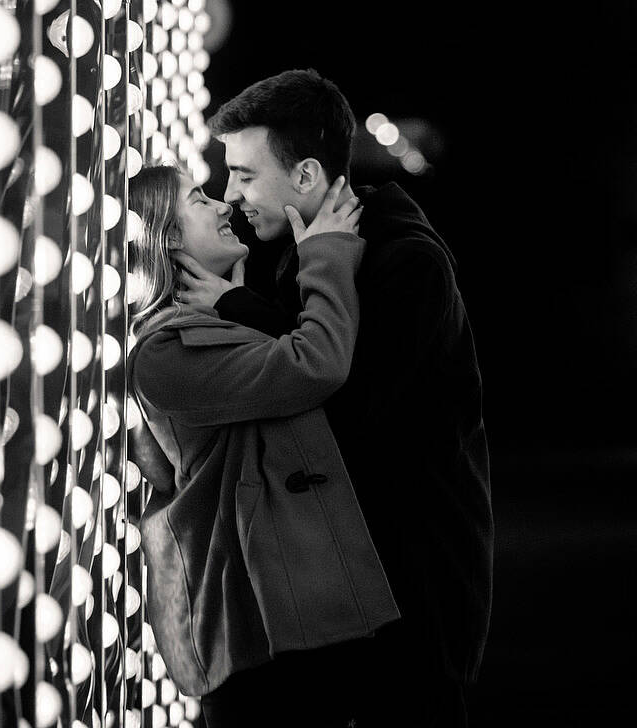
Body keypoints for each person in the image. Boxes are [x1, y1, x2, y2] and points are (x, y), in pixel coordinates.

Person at [178, 68, 494, 727]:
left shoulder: (403, 263)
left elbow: (345, 407)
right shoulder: (324, 253)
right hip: (349, 586)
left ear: (305, 177)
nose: (231, 195)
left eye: (243, 174)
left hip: (408, 597)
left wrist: (236, 310)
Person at [124, 164, 401, 728]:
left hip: (282, 606)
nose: (225, 205)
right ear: (168, 236)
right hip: (256, 619)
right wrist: (326, 253)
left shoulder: (208, 323)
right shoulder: (166, 351)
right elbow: (314, 364)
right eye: (199, 199)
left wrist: (234, 301)